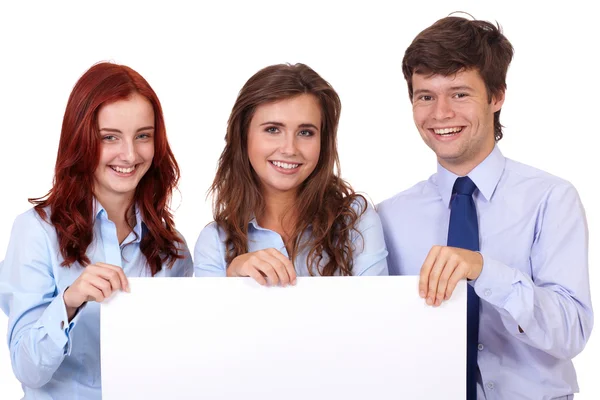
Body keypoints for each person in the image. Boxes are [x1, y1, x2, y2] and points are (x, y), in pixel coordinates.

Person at [377, 16, 593, 400]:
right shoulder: (388, 217)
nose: (440, 113)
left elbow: (571, 333)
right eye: (425, 96)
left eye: (459, 93)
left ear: (496, 96)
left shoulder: (550, 199)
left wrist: (484, 269)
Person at [0, 62, 193, 399]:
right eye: (109, 138)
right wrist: (70, 301)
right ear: (82, 140)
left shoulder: (171, 249)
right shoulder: (35, 232)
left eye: (143, 136)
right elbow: (27, 369)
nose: (130, 154)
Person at [194, 63, 388, 282]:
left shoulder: (355, 221)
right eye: (273, 130)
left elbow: (377, 312)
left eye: (305, 132)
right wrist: (233, 279)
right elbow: (214, 316)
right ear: (243, 136)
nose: (289, 149)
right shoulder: (215, 243)